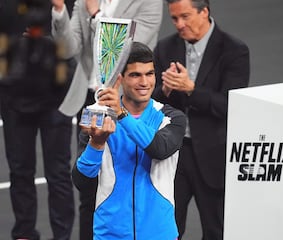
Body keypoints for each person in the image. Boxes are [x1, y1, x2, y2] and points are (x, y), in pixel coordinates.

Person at [50, 1, 163, 238]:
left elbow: (132, 48)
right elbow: (68, 48)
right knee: (88, 187)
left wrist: (96, 15)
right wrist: (59, 10)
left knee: (120, 182)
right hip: (91, 100)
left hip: (126, 104)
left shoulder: (149, 2)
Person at [152, 0, 250, 239]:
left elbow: (230, 106)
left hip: (213, 155)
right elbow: (152, 104)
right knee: (167, 229)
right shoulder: (165, 48)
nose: (179, 25)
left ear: (204, 11)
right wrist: (164, 91)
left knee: (216, 230)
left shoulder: (234, 50)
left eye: (185, 17)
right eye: (174, 19)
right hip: (174, 155)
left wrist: (191, 90)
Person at [71, 41, 186, 239]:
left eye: (149, 74)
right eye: (135, 75)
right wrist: (96, 145)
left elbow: (160, 148)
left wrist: (120, 114)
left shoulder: (171, 117)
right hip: (109, 234)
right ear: (120, 79)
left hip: (159, 234)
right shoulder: (99, 118)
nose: (145, 82)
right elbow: (82, 182)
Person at [0, 1, 76, 239]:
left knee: (58, 172)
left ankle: (62, 236)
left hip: (55, 92)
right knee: (19, 169)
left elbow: (72, 41)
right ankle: (23, 232)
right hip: (13, 94)